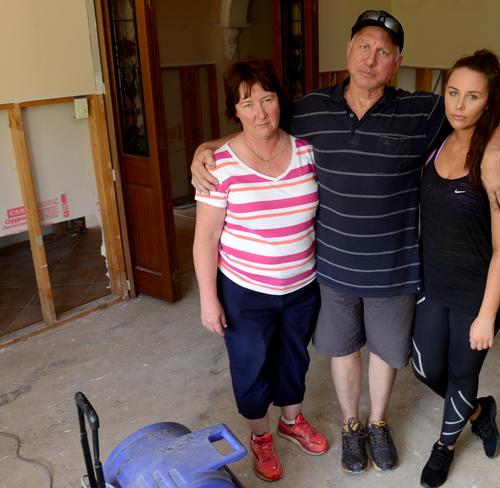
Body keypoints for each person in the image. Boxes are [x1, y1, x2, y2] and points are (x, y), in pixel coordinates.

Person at [191, 10, 500, 475]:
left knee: (386, 355)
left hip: (395, 268)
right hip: (331, 269)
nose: (371, 58)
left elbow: (490, 109)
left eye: (384, 51)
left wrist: (495, 153)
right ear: (348, 52)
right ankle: (351, 425)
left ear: (397, 62)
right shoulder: (310, 109)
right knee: (341, 353)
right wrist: (205, 149)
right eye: (364, 46)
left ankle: (378, 422)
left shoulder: (422, 111)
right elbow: (260, 125)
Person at [192, 58, 328, 483]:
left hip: (302, 284)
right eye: (247, 104)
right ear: (235, 110)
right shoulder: (220, 165)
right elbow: (205, 240)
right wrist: (209, 299)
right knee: (251, 367)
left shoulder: (307, 152)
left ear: (279, 102)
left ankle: (291, 421)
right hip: (245, 290)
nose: (260, 113)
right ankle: (261, 437)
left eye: (267, 100)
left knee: (293, 359)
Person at [411, 50, 500, 487]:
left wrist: (486, 316)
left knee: (461, 373)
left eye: (472, 97)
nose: (458, 105)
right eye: (452, 92)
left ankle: (444, 448)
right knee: (423, 367)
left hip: (478, 291)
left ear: (488, 104)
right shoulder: (439, 137)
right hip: (435, 282)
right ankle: (479, 409)